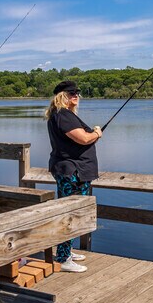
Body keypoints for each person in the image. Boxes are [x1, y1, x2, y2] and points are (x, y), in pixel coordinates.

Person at [45, 80, 102, 272]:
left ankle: (67, 250)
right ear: (62, 96)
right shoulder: (64, 116)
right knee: (70, 214)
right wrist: (97, 133)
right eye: (71, 93)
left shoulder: (61, 115)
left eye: (77, 92)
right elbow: (84, 138)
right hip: (73, 172)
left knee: (73, 212)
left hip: (72, 170)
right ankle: (63, 258)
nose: (76, 96)